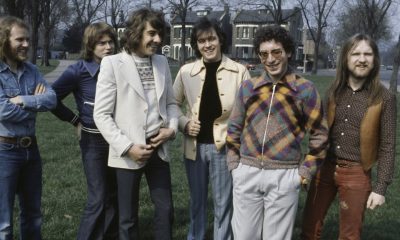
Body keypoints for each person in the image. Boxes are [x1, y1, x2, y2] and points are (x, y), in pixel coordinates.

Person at [226, 25, 329, 240]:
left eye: (276, 52)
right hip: (247, 171)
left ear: (288, 52)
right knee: (244, 236)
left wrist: (305, 172)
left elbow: (320, 134)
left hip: (285, 176)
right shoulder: (248, 88)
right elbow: (234, 127)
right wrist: (234, 164)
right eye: (264, 54)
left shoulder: (305, 90)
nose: (270, 59)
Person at [93, 8, 179, 240]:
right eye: (152, 33)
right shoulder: (112, 63)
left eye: (160, 34)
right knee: (128, 217)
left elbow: (171, 103)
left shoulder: (161, 62)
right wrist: (128, 147)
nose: (158, 39)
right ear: (136, 32)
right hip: (128, 150)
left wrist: (171, 128)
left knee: (165, 210)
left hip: (158, 148)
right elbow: (101, 114)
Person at [301, 34, 397, 240]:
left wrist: (381, 188)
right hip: (325, 168)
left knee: (349, 236)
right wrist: (309, 167)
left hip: (357, 173)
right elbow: (319, 134)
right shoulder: (333, 92)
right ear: (346, 58)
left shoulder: (385, 98)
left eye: (368, 54)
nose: (362, 59)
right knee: (309, 229)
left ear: (375, 59)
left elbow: (388, 146)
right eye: (356, 53)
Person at [173, 17, 250, 240]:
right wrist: (183, 123)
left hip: (223, 148)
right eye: (201, 41)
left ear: (220, 39)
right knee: (197, 201)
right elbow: (171, 105)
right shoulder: (186, 71)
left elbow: (248, 111)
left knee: (223, 202)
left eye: (211, 39)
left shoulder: (239, 71)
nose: (207, 45)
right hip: (194, 148)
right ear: (196, 45)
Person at [51, 22, 119, 240]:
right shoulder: (77, 71)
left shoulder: (120, 68)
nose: (108, 47)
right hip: (93, 141)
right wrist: (74, 120)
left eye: (111, 42)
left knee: (114, 197)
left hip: (118, 141)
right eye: (102, 43)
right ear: (90, 46)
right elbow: (52, 100)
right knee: (97, 198)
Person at [0, 16, 57, 239]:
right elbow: (3, 110)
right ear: (4, 40)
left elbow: (51, 99)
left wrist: (22, 101)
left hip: (31, 151)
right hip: (4, 152)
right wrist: (35, 102)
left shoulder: (32, 70)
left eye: (28, 40)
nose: (26, 44)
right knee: (3, 223)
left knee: (33, 216)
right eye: (20, 39)